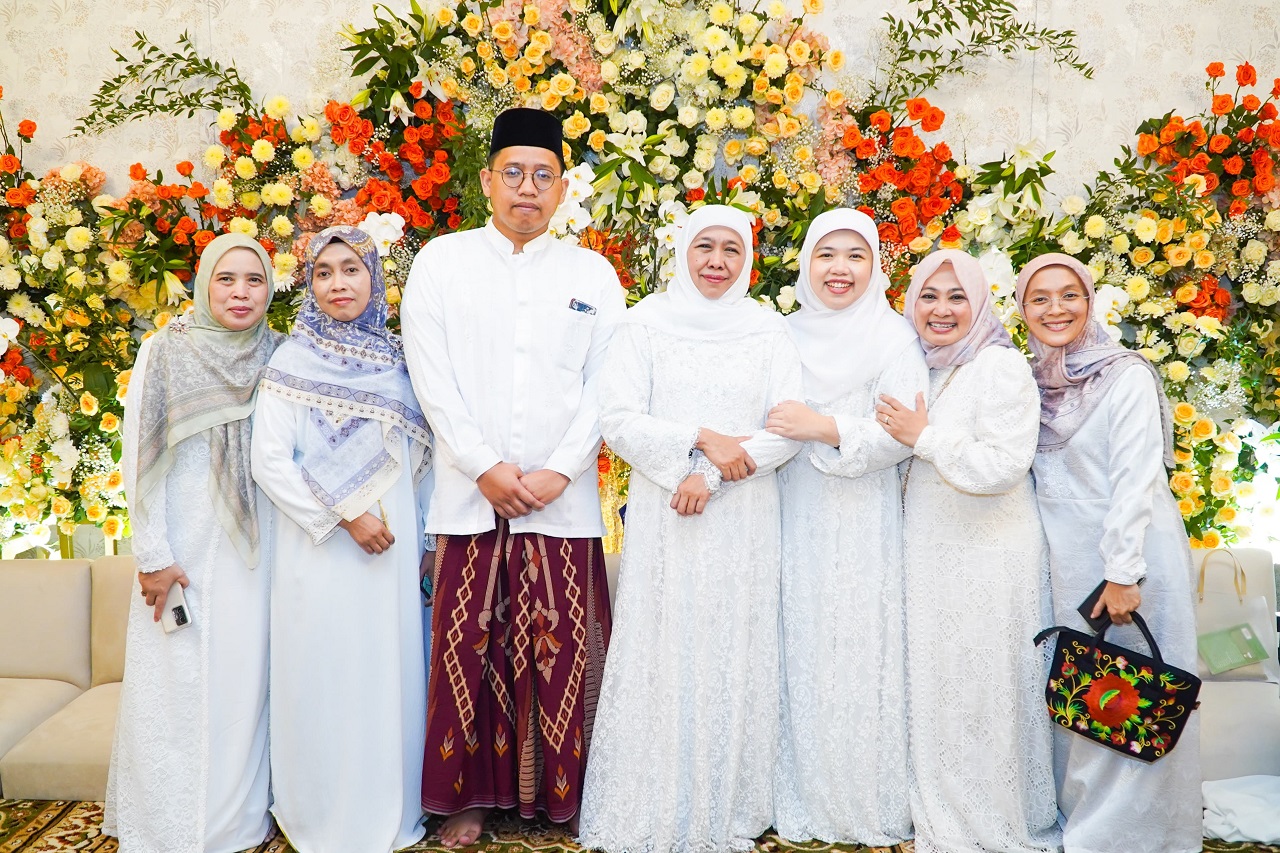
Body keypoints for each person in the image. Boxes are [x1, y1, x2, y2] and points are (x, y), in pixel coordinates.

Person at [400, 107, 624, 844]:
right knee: (467, 647)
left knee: (564, 648)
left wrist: (559, 470)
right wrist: (485, 466)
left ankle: (566, 796)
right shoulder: (442, 261)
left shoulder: (592, 273)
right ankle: (463, 797)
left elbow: (608, 382)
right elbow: (431, 377)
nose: (528, 188)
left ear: (561, 189)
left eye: (543, 176)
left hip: (563, 503)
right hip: (470, 496)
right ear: (487, 180)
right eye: (514, 173)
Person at [578, 204, 803, 853]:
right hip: (667, 519)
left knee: (734, 646)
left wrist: (713, 475)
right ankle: (658, 796)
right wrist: (697, 443)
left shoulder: (767, 331)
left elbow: (785, 429)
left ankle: (730, 799)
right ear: (683, 250)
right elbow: (617, 417)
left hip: (744, 517)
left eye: (731, 249)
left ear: (748, 259)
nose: (716, 261)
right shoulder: (646, 324)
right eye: (705, 245)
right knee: (666, 645)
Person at [251, 226, 432, 853]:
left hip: (394, 549)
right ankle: (323, 816)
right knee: (323, 672)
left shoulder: (399, 360)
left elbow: (423, 460)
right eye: (324, 272)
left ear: (373, 278)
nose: (338, 283)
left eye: (351, 269)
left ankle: (393, 808)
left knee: (390, 671)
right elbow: (270, 462)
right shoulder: (289, 361)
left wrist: (428, 539)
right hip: (322, 546)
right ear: (310, 286)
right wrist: (348, 516)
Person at [876, 249, 1061, 853]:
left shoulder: (999, 367)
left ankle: (994, 820)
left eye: (958, 296)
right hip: (931, 551)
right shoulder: (918, 369)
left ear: (980, 303)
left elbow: (1004, 466)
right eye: (929, 296)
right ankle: (942, 812)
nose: (942, 309)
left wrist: (923, 438)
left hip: (990, 554)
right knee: (941, 685)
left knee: (985, 688)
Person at [1015, 253, 1200, 853]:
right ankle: (1089, 827)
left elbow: (1135, 478)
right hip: (1065, 557)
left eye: (1069, 295)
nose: (1055, 309)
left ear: (1090, 303)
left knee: (1141, 692)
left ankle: (1143, 836)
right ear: (1021, 310)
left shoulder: (1124, 375)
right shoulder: (1029, 381)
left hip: (1133, 551)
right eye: (1039, 298)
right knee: (1084, 696)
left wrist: (1122, 572)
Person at [104, 234, 281, 853]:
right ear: (204, 284)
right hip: (179, 550)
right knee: (174, 690)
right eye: (226, 278)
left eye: (254, 280)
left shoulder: (279, 355)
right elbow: (138, 456)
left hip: (254, 553)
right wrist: (152, 557)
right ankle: (167, 831)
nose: (240, 292)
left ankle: (233, 826)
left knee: (243, 687)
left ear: (270, 289)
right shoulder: (165, 351)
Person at [766, 208, 924, 845]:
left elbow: (902, 434)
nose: (840, 269)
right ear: (806, 261)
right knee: (796, 641)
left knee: (860, 645)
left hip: (863, 518)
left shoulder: (894, 337)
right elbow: (761, 415)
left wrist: (824, 426)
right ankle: (795, 791)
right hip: (789, 507)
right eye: (826, 254)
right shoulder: (778, 334)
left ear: (875, 266)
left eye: (855, 256)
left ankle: (861, 797)